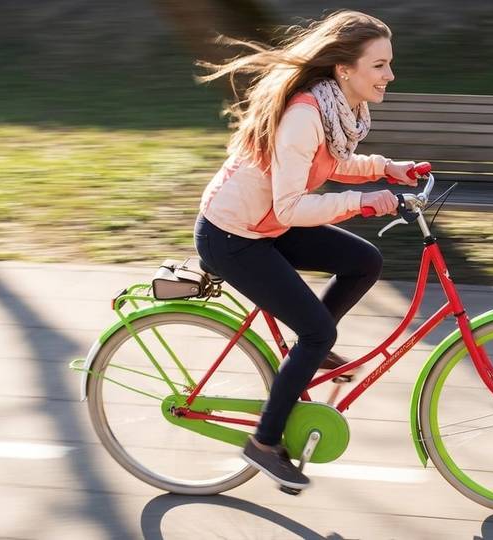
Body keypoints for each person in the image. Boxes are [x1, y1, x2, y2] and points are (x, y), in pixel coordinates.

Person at [194, 10, 419, 491]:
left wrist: (386, 168)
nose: (390, 75)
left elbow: (332, 162)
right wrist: (364, 203)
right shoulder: (305, 115)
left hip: (268, 224)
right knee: (316, 332)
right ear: (345, 69)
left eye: (389, 64)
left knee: (365, 262)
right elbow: (293, 205)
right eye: (379, 65)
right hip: (232, 236)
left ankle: (309, 352)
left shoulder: (335, 108)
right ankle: (263, 443)